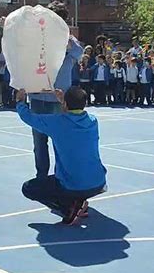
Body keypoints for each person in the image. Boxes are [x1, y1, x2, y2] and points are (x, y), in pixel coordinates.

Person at [16, 86, 107, 225]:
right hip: (98, 182)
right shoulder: (93, 121)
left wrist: (20, 102)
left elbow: (28, 117)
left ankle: (69, 208)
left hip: (72, 184)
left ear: (65, 104)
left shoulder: (57, 122)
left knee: (28, 188)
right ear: (86, 104)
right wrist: (63, 101)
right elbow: (73, 114)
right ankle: (77, 201)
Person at [28, 2, 83, 179]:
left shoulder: (68, 39)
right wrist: (10, 25)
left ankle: (62, 176)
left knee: (61, 141)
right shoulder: (38, 37)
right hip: (37, 95)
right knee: (39, 141)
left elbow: (78, 52)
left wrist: (62, 36)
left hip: (59, 100)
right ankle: (41, 176)